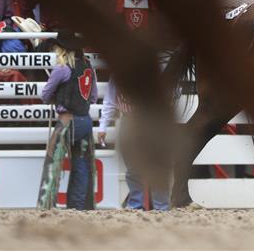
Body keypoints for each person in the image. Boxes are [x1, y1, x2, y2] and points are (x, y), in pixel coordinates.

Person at [38, 31, 98, 210]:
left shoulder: (61, 69)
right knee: (81, 165)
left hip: (67, 121)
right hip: (85, 121)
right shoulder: (88, 68)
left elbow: (45, 95)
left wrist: (58, 96)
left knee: (53, 163)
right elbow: (93, 97)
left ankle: (47, 205)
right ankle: (79, 206)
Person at [99, 76, 171, 210]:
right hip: (130, 120)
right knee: (133, 167)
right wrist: (103, 126)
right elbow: (109, 101)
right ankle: (138, 204)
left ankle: (160, 206)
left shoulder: (148, 72)